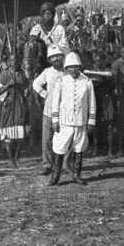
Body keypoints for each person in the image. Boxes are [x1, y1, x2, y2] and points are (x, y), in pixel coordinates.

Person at [49, 52, 96, 186]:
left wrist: (91, 121)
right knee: (59, 147)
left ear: (79, 67)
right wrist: (55, 120)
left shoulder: (87, 81)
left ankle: (76, 175)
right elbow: (55, 102)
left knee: (79, 148)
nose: (73, 70)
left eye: (76, 67)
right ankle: (55, 176)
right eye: (70, 67)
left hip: (80, 121)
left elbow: (92, 102)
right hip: (64, 122)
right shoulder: (62, 81)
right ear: (67, 68)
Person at [33, 45, 66, 175]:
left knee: (63, 138)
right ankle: (47, 165)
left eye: (58, 56)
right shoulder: (47, 72)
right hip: (48, 110)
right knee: (47, 139)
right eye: (53, 57)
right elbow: (36, 83)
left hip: (64, 111)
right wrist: (43, 93)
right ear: (50, 59)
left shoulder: (67, 72)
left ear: (62, 58)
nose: (56, 59)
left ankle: (63, 164)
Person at [0, 54, 29, 167]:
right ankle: (10, 159)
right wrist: (8, 85)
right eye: (12, 60)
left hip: (19, 104)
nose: (14, 62)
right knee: (8, 132)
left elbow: (26, 88)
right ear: (9, 62)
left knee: (19, 133)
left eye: (17, 60)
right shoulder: (4, 74)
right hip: (8, 105)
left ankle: (17, 157)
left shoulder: (22, 74)